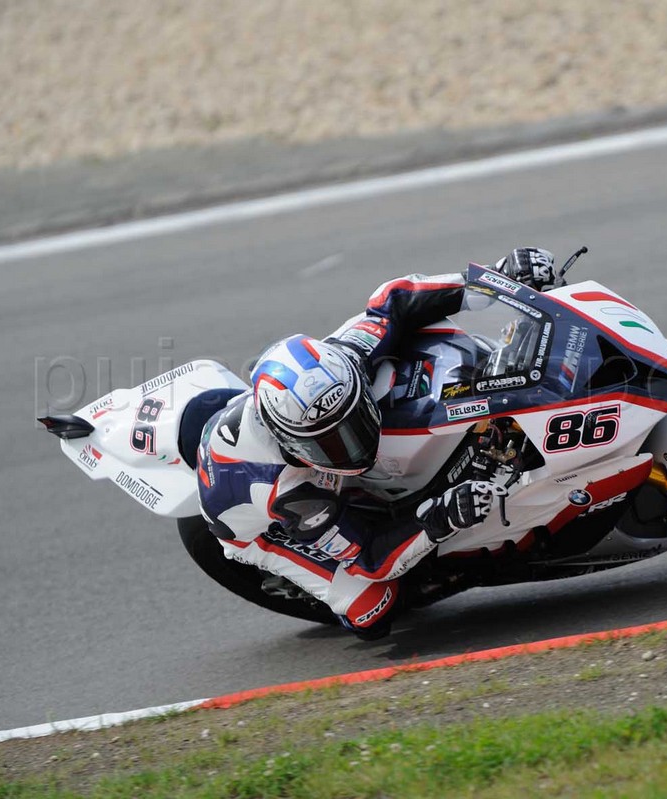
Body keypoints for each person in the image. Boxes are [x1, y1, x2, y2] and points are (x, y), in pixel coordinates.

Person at [195, 248, 558, 639]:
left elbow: (394, 300)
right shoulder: (292, 493)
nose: (352, 443)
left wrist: (496, 279)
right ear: (291, 442)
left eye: (353, 421)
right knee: (372, 609)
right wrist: (441, 519)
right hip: (256, 530)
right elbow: (369, 558)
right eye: (328, 443)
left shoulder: (346, 359)